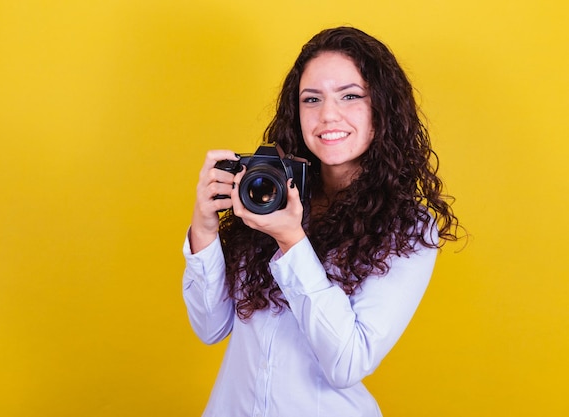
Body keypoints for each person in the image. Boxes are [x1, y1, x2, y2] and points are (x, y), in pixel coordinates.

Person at [182, 26, 460, 417]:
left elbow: (347, 362)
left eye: (350, 96)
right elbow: (210, 326)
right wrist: (204, 229)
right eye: (312, 99)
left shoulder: (409, 227)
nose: (328, 115)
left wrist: (291, 242)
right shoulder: (269, 191)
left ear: (382, 109)